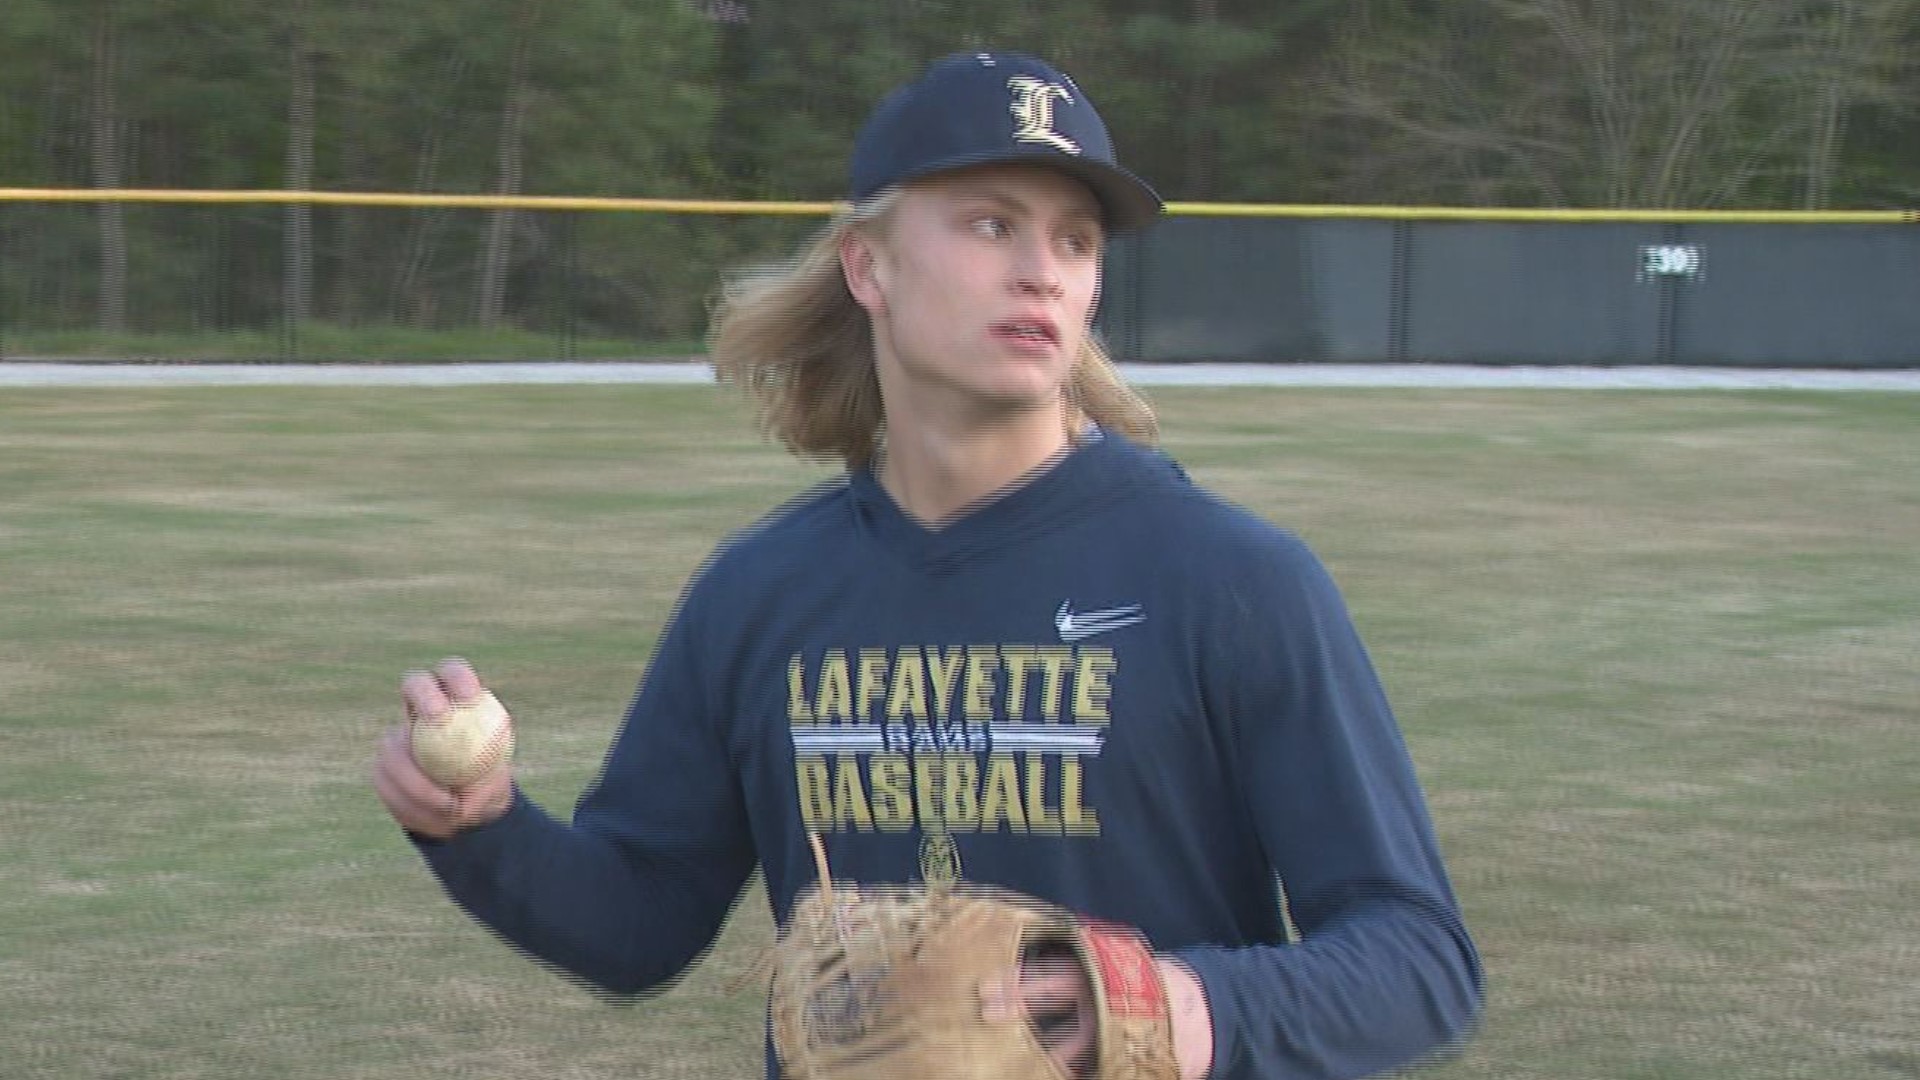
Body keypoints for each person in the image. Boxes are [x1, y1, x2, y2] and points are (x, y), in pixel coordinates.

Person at [373, 50, 1483, 1080]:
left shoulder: (1232, 583)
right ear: (870, 265)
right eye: (993, 225)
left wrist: (1193, 1004)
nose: (1043, 272)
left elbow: (1419, 957)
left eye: (1076, 240)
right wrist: (483, 830)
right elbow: (639, 921)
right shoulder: (762, 595)